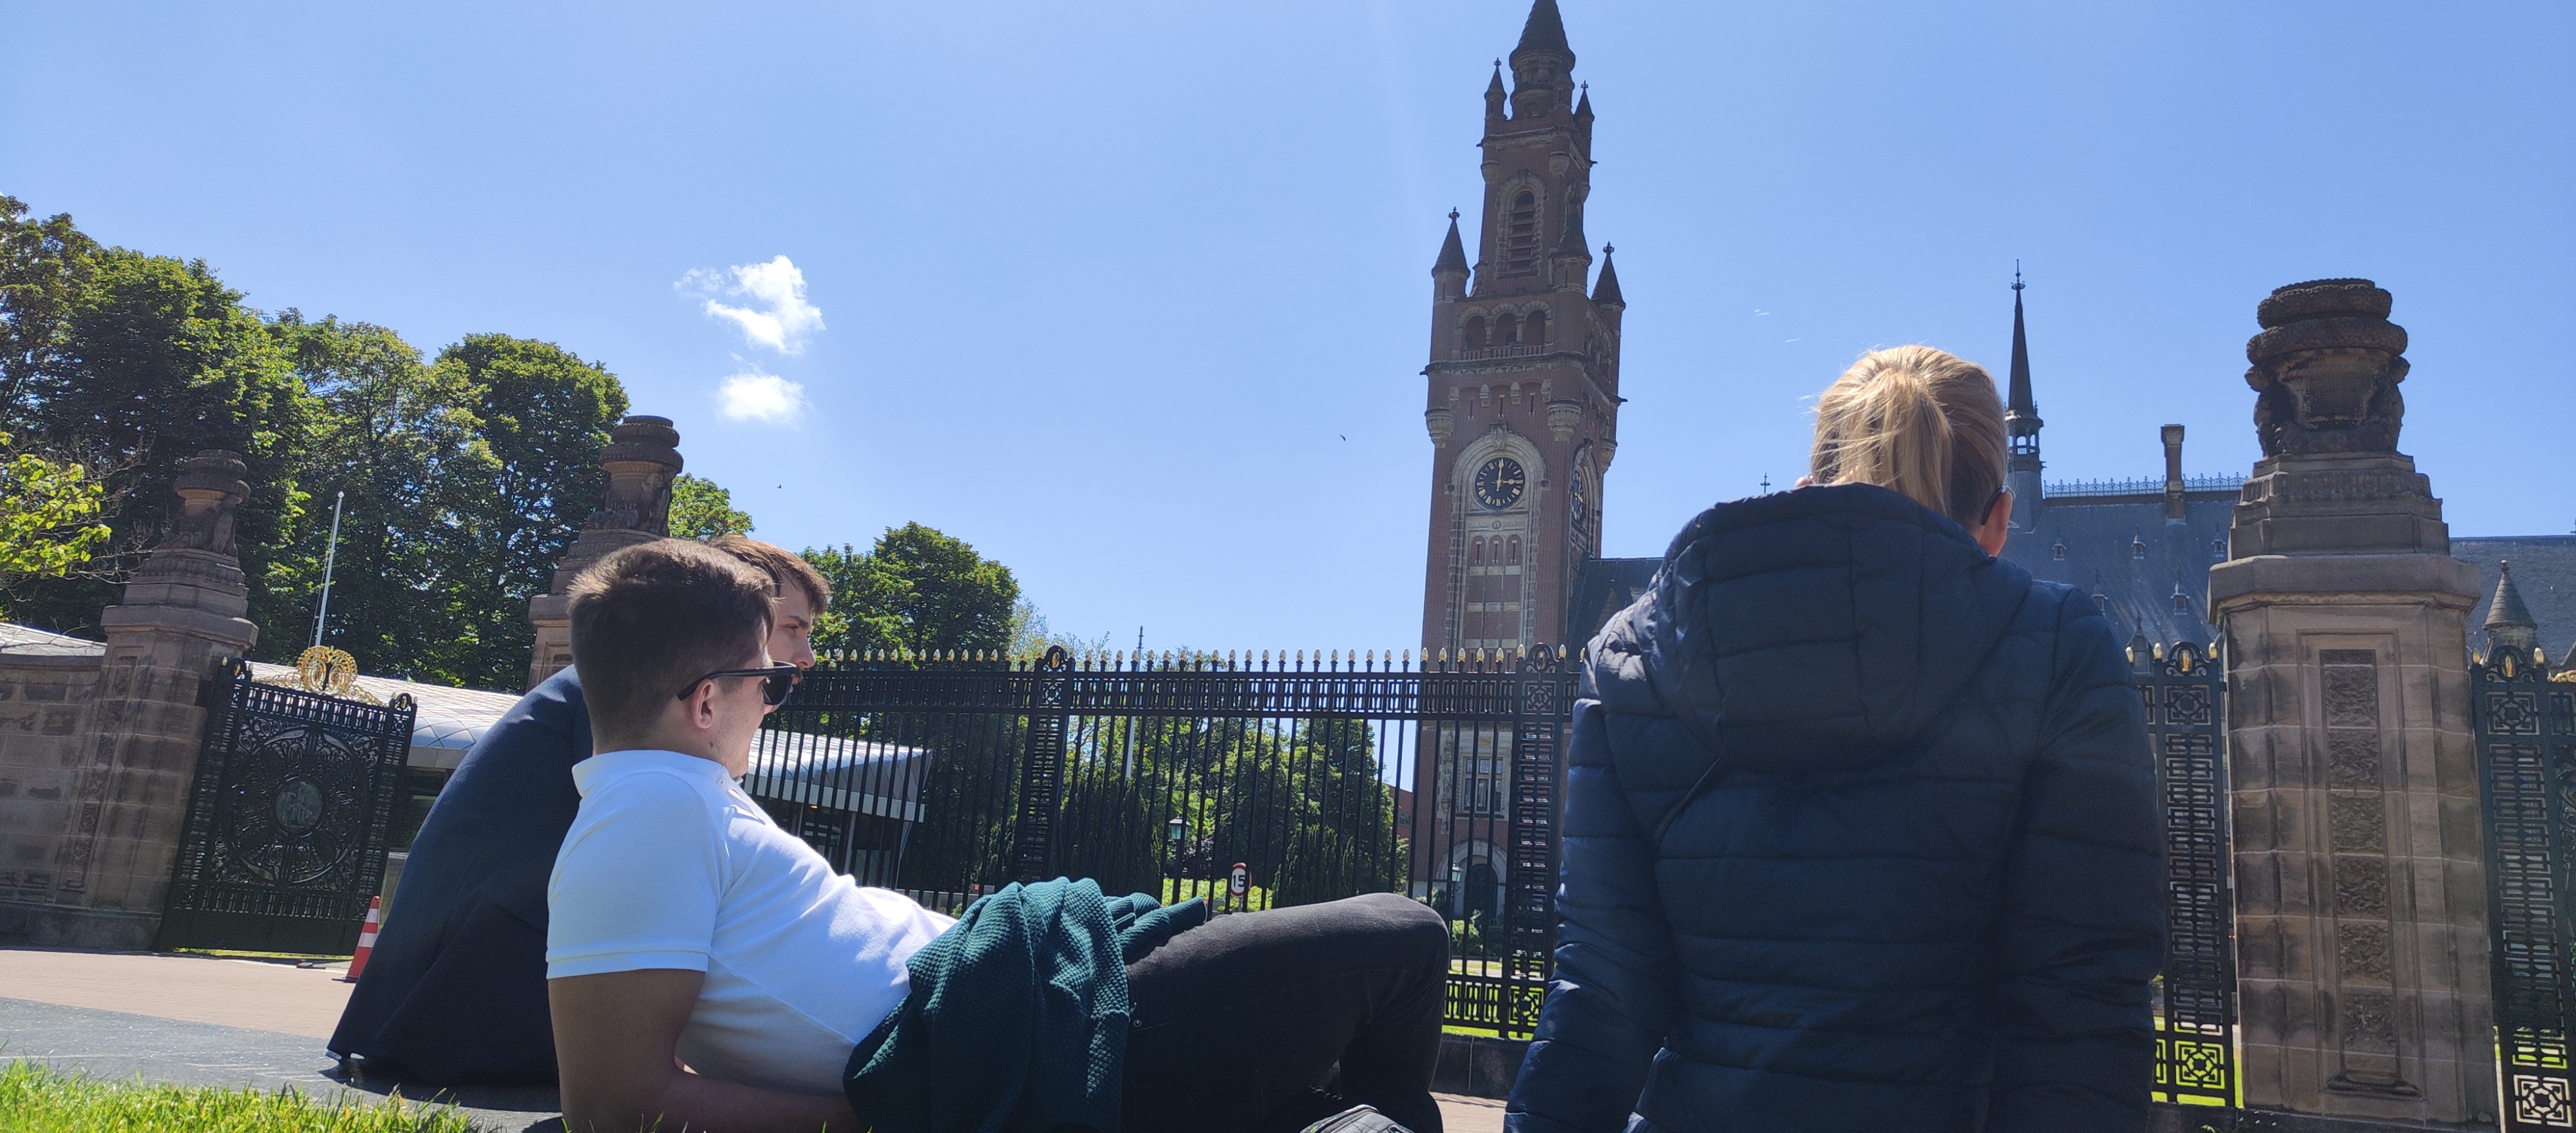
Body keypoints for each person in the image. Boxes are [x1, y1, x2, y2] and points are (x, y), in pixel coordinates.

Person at [546, 539, 1451, 1133]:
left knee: (1320, 1111)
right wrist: (889, 1116)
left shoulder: (672, 802)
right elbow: (613, 1104)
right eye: (769, 683)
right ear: (707, 701)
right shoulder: (646, 815)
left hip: (1030, 996)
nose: (781, 693)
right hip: (1028, 1031)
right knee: (1407, 936)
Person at [1506, 347, 2163, 1132]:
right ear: (1997, 523)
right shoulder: (2060, 648)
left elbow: (1600, 994)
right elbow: (2080, 1012)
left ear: (1807, 485)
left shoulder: (1632, 657)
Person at [328, 535, 828, 1084]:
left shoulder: (617, 684)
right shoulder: (637, 696)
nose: (805, 655)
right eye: (792, 627)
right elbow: (664, 863)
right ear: (735, 608)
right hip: (459, 1002)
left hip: (456, 984)